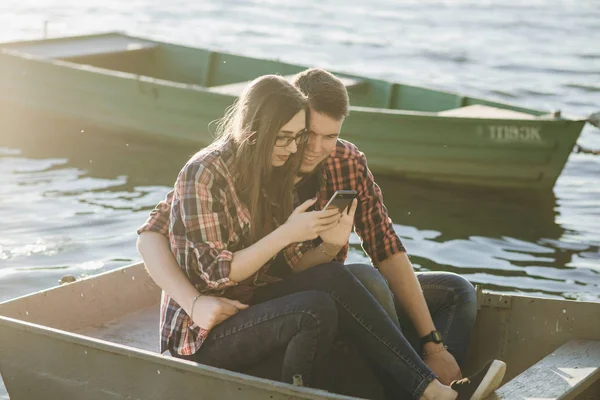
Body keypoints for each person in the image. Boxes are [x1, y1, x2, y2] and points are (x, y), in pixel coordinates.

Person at [137, 71, 506, 399]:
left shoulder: (334, 161)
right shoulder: (249, 165)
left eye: (325, 137)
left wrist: (432, 343)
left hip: (299, 291)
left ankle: (427, 379)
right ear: (270, 126)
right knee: (342, 288)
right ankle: (426, 390)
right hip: (237, 308)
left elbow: (380, 246)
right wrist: (193, 303)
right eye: (301, 135)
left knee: (450, 290)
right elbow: (157, 236)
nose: (309, 149)